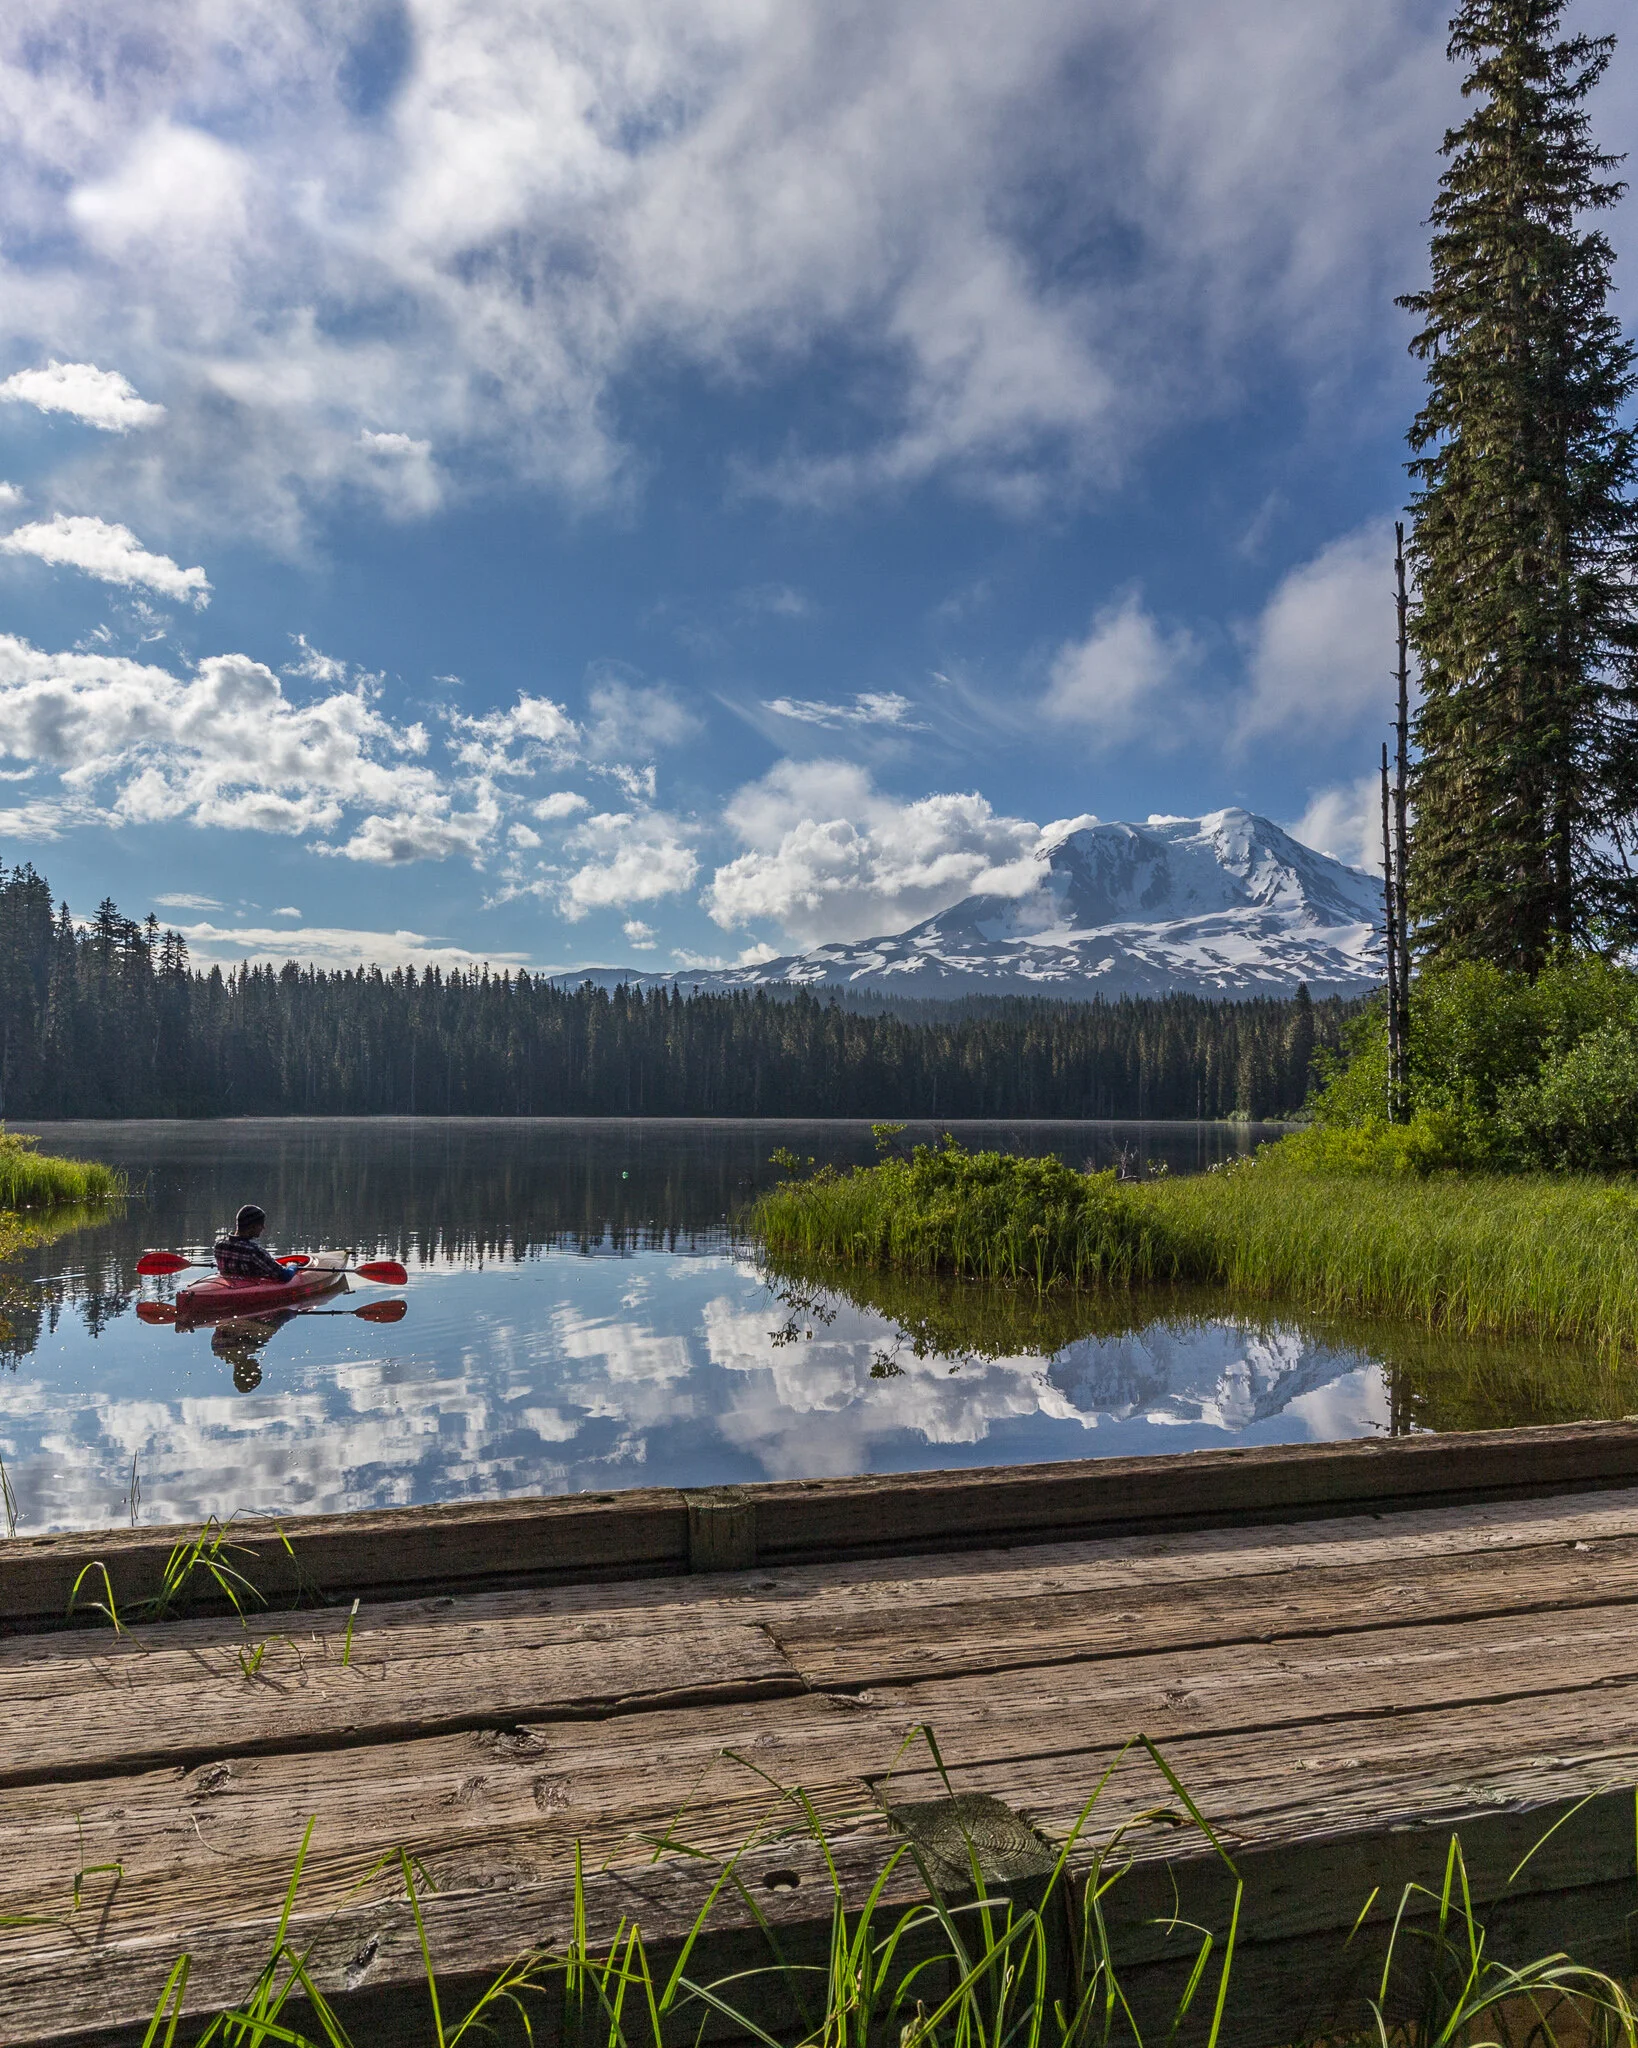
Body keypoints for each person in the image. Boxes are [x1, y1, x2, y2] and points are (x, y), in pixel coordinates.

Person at [213, 1204, 296, 1284]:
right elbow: (285, 1276)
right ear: (252, 1227)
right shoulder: (254, 1252)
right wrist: (292, 1266)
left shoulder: (219, 1245)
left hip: (229, 1285)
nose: (263, 1228)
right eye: (261, 1225)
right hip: (249, 1287)